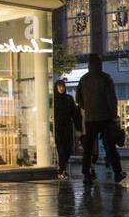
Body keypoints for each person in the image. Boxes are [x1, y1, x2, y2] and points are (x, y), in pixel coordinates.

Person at [76, 53, 124, 183]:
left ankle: (86, 174)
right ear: (100, 63)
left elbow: (78, 99)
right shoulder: (105, 78)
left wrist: (87, 107)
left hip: (90, 118)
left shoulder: (83, 79)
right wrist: (113, 115)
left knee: (88, 148)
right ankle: (117, 172)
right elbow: (111, 99)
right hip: (105, 117)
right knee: (110, 146)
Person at [52, 78, 81, 179]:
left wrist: (78, 127)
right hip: (57, 127)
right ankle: (62, 170)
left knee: (68, 148)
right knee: (61, 149)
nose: (61, 88)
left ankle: (62, 168)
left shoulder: (69, 98)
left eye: (63, 86)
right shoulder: (53, 100)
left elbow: (75, 114)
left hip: (68, 127)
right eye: (59, 86)